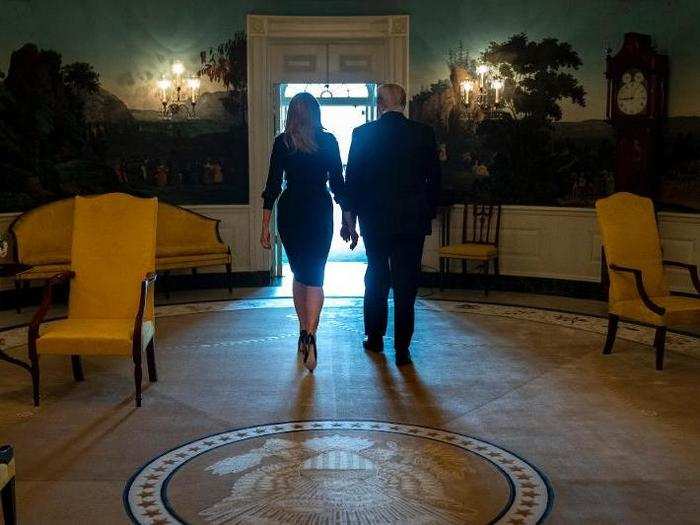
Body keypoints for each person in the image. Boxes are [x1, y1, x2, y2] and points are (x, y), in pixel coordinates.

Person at [342, 83, 441, 366]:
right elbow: (435, 178)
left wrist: (349, 216)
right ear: (404, 103)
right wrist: (428, 212)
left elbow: (354, 181)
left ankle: (374, 339)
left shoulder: (363, 134)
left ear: (379, 105)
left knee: (376, 277)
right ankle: (402, 349)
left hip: (375, 220)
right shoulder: (423, 133)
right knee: (406, 283)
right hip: (412, 220)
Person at [260, 92, 347, 372]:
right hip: (319, 210)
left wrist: (265, 226)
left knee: (300, 274)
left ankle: (302, 331)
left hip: (292, 210)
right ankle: (310, 332)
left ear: (292, 114)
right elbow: (338, 184)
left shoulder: (283, 143)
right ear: (316, 113)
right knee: (315, 276)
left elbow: (272, 185)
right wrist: (348, 219)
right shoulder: (329, 141)